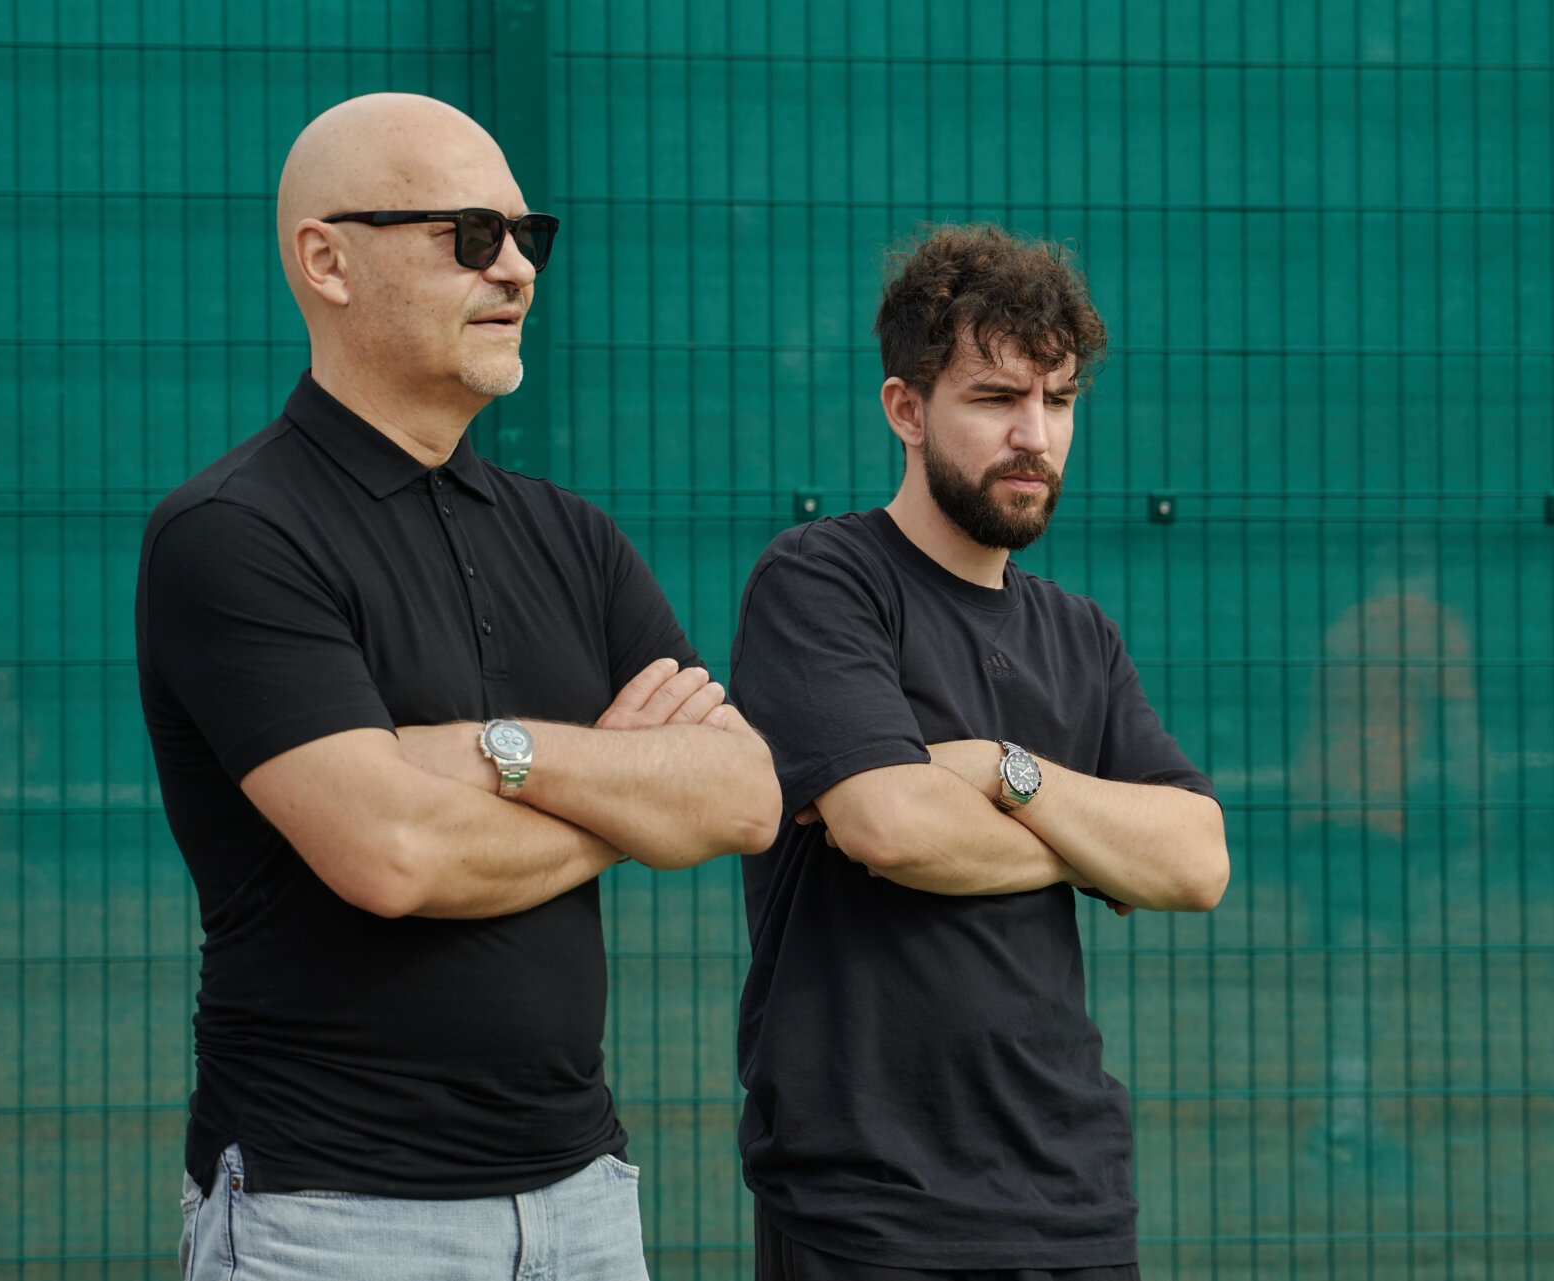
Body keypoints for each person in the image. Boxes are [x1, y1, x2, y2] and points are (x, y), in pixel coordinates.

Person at [135, 93, 781, 1280]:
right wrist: (631, 805)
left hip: (585, 1205)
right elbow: (394, 856)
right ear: (326, 261)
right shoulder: (231, 534)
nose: (517, 269)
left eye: (529, 235)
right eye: (470, 236)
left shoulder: (571, 537)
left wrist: (498, 753)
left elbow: (744, 797)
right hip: (329, 1219)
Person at [729, 224, 1231, 1279]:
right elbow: (891, 826)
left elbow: (1195, 861)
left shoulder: (1081, 634)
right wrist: (1092, 845)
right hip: (872, 1205)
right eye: (997, 398)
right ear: (906, 410)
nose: (1034, 436)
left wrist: (1008, 773)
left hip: (1074, 1196)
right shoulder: (820, 582)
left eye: (1059, 400)